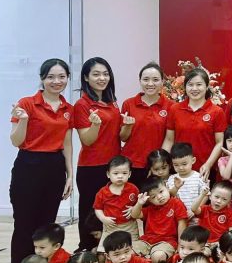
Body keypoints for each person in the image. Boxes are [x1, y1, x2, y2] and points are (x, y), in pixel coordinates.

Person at [9, 58, 74, 263]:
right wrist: (23, 121)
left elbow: (67, 144)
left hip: (54, 167)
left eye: (62, 77)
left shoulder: (68, 109)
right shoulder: (26, 104)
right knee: (24, 224)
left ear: (67, 78)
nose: (56, 81)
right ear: (42, 79)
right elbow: (16, 140)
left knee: (46, 227)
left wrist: (70, 175)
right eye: (51, 77)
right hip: (28, 165)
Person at [73, 57, 123, 251]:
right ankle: (86, 250)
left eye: (105, 74)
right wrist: (95, 125)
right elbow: (87, 140)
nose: (102, 78)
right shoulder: (82, 104)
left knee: (110, 210)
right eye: (96, 74)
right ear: (86, 77)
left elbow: (118, 134)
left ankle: (106, 252)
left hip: (113, 166)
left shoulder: (112, 102)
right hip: (91, 167)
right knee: (90, 212)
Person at [162, 67, 226, 178]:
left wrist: (208, 165)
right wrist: (162, 163)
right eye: (190, 85)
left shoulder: (217, 112)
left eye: (199, 84)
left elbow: (219, 143)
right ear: (185, 87)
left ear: (207, 86)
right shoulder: (175, 109)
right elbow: (169, 140)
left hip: (204, 170)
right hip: (179, 169)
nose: (194, 88)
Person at [120, 62, 170, 184]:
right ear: (140, 81)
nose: (150, 84)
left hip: (157, 167)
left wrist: (159, 164)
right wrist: (128, 126)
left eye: (155, 80)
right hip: (131, 164)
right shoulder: (129, 104)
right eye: (146, 79)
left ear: (162, 82)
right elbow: (123, 137)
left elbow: (170, 138)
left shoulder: (170, 106)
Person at [133, 178, 187, 263]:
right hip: (146, 241)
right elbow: (135, 215)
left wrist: (181, 245)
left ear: (167, 187)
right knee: (127, 252)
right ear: (149, 200)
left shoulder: (176, 203)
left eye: (161, 191)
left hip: (167, 242)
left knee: (158, 257)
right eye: (153, 197)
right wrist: (139, 203)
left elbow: (182, 224)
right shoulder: (150, 208)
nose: (159, 197)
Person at [93, 156, 140, 251]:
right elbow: (97, 208)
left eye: (124, 173)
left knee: (133, 250)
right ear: (108, 174)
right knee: (104, 252)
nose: (120, 176)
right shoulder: (102, 192)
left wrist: (134, 208)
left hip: (129, 226)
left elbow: (139, 204)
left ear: (129, 174)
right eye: (116, 173)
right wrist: (103, 218)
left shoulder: (133, 189)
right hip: (110, 227)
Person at [191, 181, 232, 250]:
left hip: (221, 245)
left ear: (230, 201)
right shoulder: (204, 209)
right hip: (203, 243)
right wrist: (202, 194)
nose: (219, 201)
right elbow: (193, 209)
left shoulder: (231, 214)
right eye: (216, 197)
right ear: (210, 196)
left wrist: (220, 243)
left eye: (224, 199)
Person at [167, 143, 208, 213]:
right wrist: (176, 188)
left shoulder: (199, 177)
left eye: (184, 164)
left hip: (195, 215)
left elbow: (206, 195)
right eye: (176, 165)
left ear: (193, 160)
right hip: (177, 216)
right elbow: (169, 195)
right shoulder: (171, 179)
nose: (180, 168)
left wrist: (195, 210)